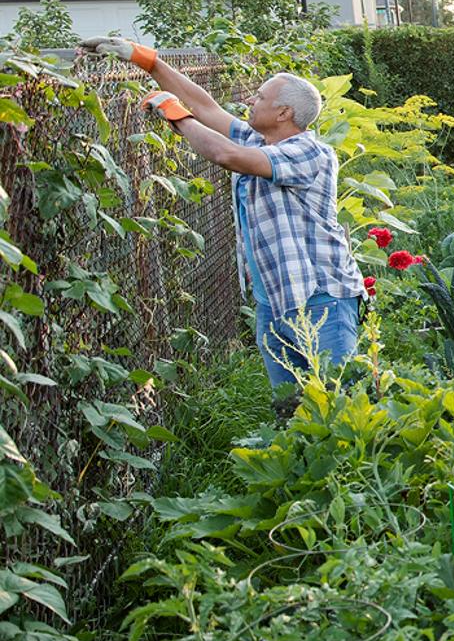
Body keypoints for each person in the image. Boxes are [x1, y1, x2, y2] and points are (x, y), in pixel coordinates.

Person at [76, 37, 364, 413]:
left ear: (284, 113)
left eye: (260, 97)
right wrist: (148, 62)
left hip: (320, 301)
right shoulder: (258, 139)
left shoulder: (311, 153)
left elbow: (225, 154)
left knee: (339, 409)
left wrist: (177, 117)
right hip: (276, 302)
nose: (250, 101)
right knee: (292, 411)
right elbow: (205, 105)